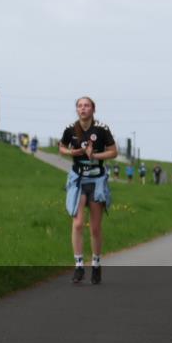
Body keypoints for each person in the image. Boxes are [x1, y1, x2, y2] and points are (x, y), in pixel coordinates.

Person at [58, 96, 117, 285]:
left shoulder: (101, 129)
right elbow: (61, 147)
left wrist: (96, 155)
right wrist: (71, 152)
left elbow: (114, 151)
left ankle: (97, 264)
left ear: (93, 109)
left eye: (87, 106)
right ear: (76, 110)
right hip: (78, 179)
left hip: (97, 179)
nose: (83, 109)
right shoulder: (70, 128)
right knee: (77, 224)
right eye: (80, 106)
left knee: (95, 227)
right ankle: (78, 265)